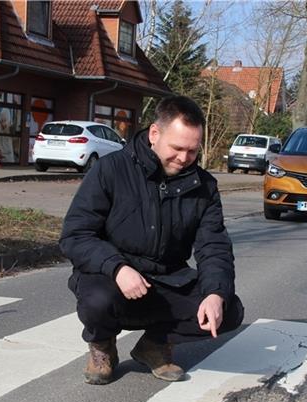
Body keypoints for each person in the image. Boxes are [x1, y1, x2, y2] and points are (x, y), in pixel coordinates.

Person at [59, 95, 244, 385]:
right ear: (154, 134)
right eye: (177, 148)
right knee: (97, 300)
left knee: (229, 309)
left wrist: (214, 294)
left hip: (167, 279)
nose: (184, 159)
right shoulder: (111, 170)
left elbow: (214, 246)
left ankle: (155, 345)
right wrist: (117, 268)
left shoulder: (204, 186)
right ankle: (102, 346)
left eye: (192, 151)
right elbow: (76, 235)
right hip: (111, 276)